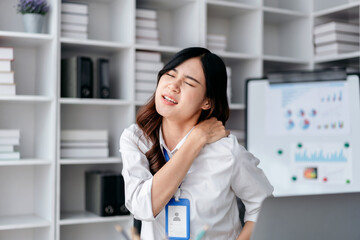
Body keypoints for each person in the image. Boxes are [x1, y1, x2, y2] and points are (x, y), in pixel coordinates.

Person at [119, 47, 273, 240]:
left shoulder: (227, 151)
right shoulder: (136, 139)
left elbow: (263, 206)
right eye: (169, 75)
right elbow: (142, 208)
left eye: (189, 83)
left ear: (207, 102)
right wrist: (196, 140)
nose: (173, 86)